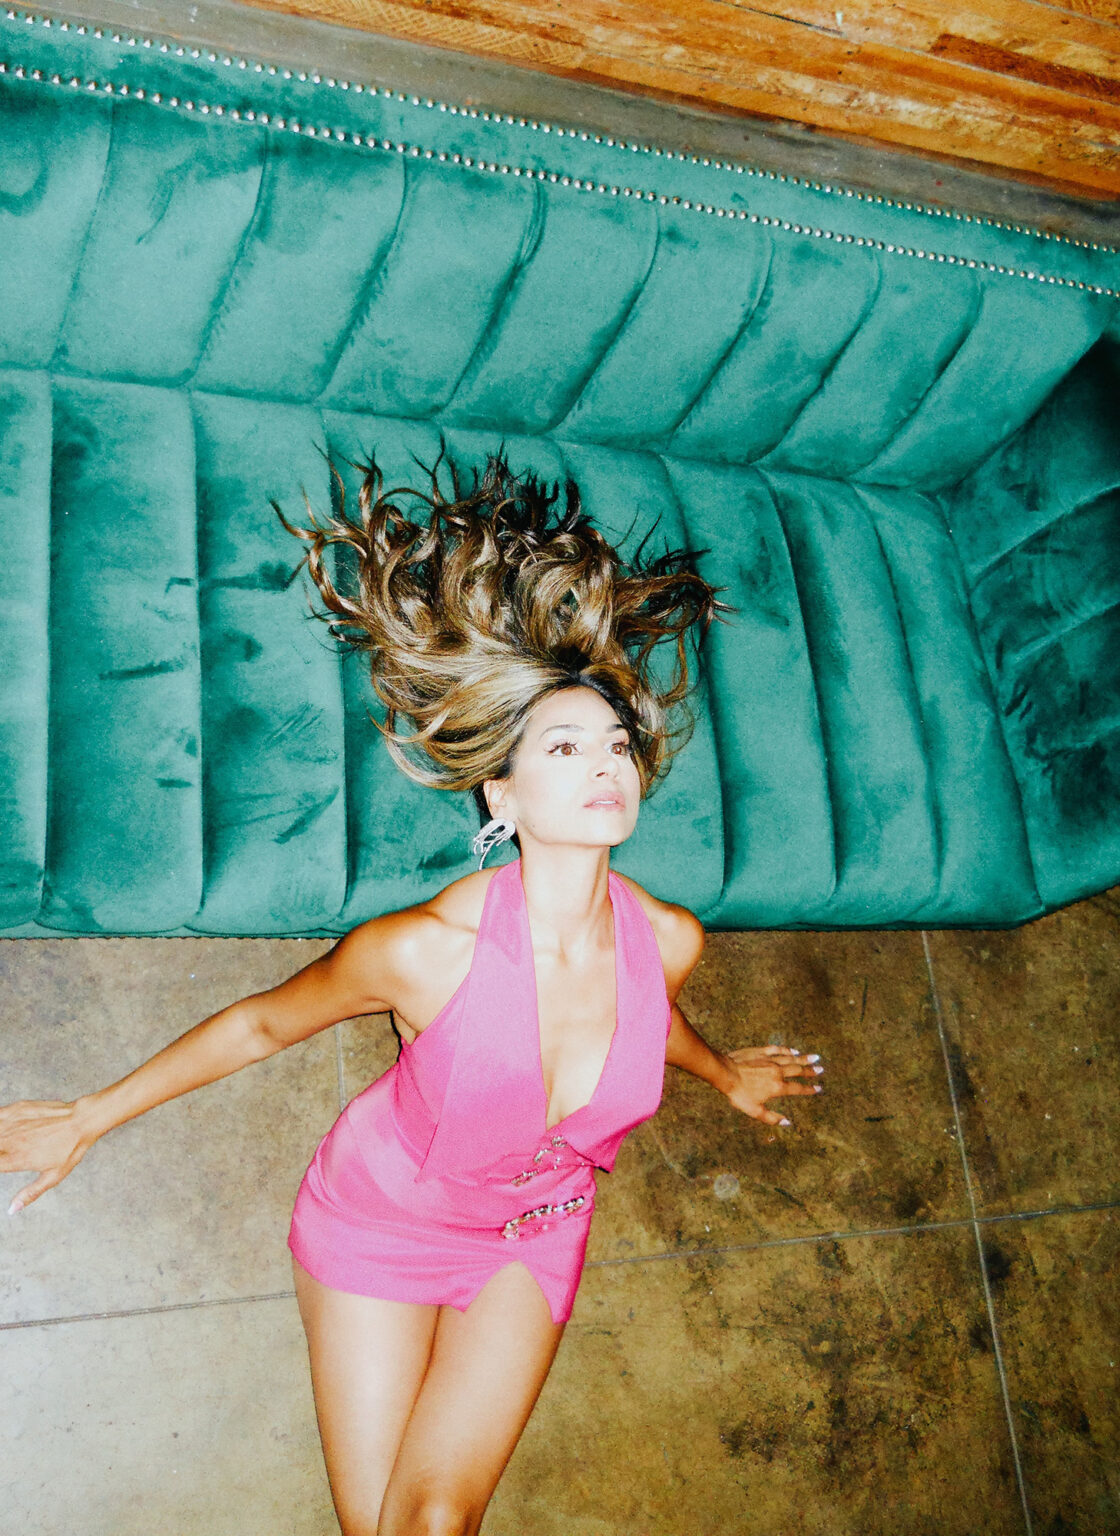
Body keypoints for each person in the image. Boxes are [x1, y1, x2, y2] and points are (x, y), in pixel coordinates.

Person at [0, 450, 823, 1536]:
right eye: (565, 746)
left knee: (433, 1522)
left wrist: (722, 1074)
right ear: (502, 795)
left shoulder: (671, 938)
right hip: (382, 1218)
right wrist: (87, 1117)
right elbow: (262, 1023)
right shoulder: (426, 952)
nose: (605, 765)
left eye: (616, 744)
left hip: (536, 1227)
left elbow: (646, 1017)